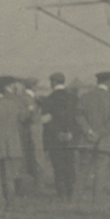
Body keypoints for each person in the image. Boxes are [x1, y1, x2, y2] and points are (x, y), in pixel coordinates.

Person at [0, 80, 34, 212]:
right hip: (13, 145)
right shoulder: (15, 105)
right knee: (9, 177)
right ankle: (11, 204)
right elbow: (24, 117)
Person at [74, 71, 110, 199]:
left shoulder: (85, 97)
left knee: (82, 172)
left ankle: (75, 199)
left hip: (86, 139)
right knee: (100, 173)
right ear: (108, 82)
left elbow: (78, 116)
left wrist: (89, 131)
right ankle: (96, 201)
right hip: (104, 141)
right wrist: (99, 134)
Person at [38, 72, 80, 201]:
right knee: (70, 163)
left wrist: (57, 133)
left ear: (54, 82)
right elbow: (78, 118)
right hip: (71, 136)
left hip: (54, 137)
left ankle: (61, 193)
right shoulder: (74, 98)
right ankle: (70, 192)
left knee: (58, 166)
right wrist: (71, 133)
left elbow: (45, 120)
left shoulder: (49, 99)